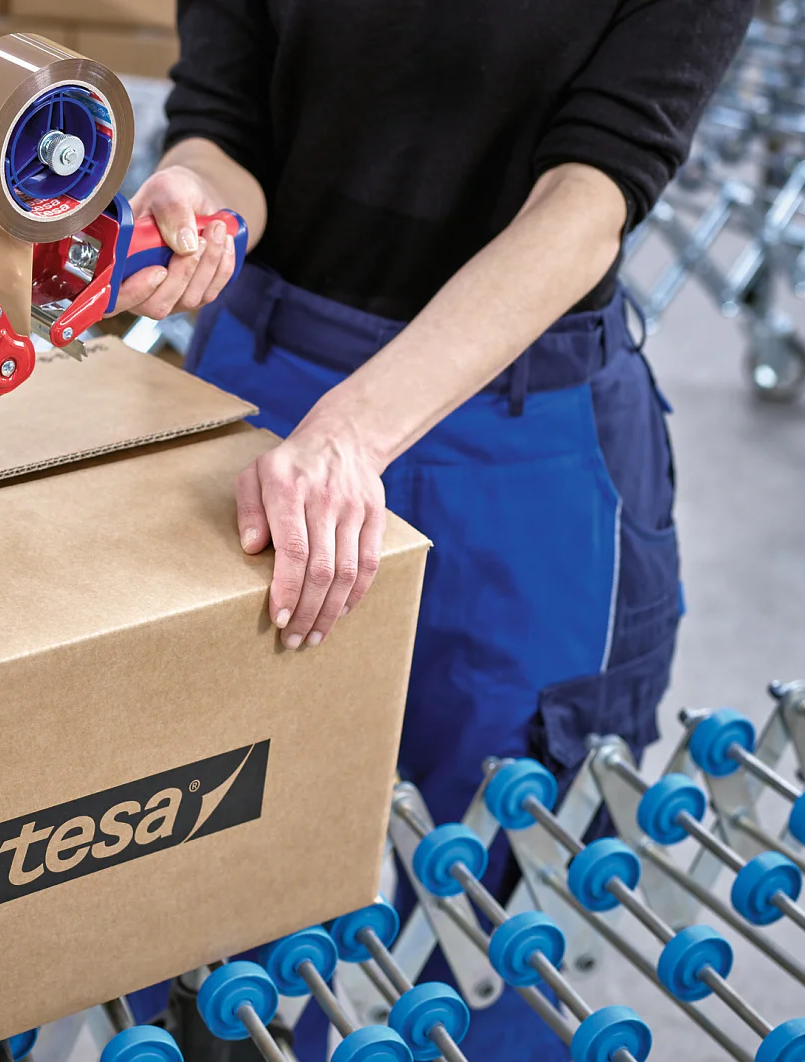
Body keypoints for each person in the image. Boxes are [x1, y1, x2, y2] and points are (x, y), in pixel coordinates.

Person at [110, 3, 755, 1059]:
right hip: (263, 395)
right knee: (200, 834)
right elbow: (226, 123)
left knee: (492, 879)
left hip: (514, 426)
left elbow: (587, 196)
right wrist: (195, 205)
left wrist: (353, 432)